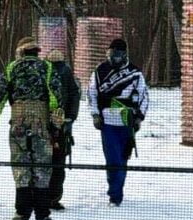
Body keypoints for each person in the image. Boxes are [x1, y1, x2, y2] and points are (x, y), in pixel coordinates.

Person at [0, 37, 64, 220]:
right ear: (37, 52)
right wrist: (56, 124)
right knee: (42, 166)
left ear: (21, 52)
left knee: (20, 166)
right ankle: (42, 213)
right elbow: (56, 97)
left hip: (18, 122)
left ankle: (22, 212)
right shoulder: (47, 67)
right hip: (41, 122)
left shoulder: (12, 68)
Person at [88, 38, 148, 207]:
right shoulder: (99, 71)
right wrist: (95, 115)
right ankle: (114, 194)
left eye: (117, 54)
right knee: (112, 159)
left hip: (127, 121)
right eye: (111, 53)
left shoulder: (135, 73)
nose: (114, 57)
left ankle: (117, 192)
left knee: (123, 158)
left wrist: (139, 117)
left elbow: (144, 96)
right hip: (107, 122)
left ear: (124, 55)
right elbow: (91, 94)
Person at [45, 49, 81, 210]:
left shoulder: (43, 71)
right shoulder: (66, 71)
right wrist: (70, 117)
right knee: (58, 162)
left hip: (46, 123)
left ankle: (45, 198)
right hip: (62, 124)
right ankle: (54, 198)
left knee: (45, 162)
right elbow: (75, 95)